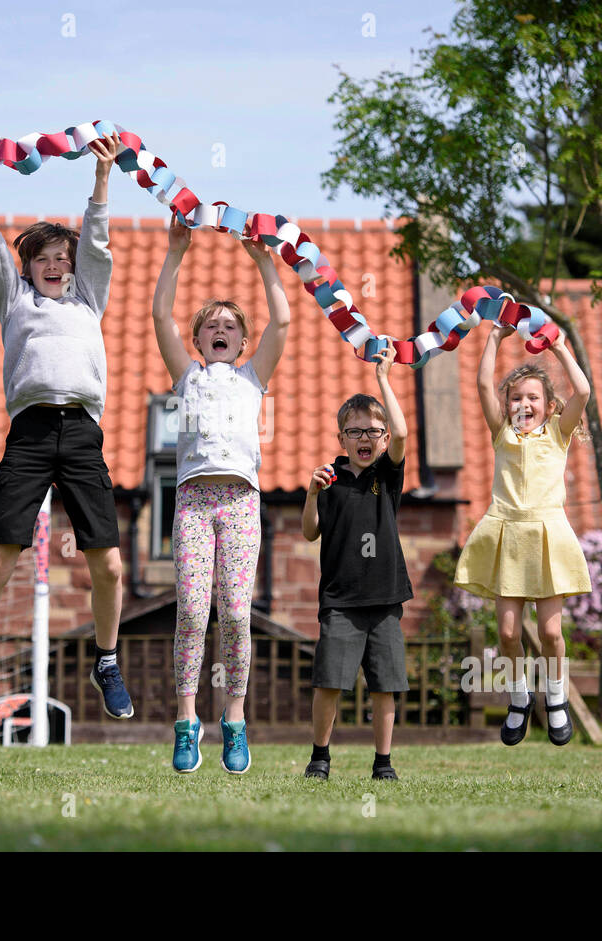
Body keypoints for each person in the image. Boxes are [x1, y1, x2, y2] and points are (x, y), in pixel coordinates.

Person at [0, 132, 137, 728]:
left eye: (63, 258)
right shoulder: (15, 301)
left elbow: (98, 239)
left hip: (80, 434)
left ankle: (107, 661)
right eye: (43, 258)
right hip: (29, 435)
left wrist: (102, 178)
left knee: (107, 564)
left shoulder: (88, 301)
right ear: (27, 268)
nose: (55, 265)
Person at [152, 216, 290, 774]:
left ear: (242, 340)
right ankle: (187, 722)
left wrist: (263, 261)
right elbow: (161, 313)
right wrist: (175, 252)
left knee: (234, 612)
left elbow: (282, 316)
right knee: (191, 609)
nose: (220, 329)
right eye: (210, 324)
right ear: (199, 338)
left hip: (239, 502)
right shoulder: (187, 376)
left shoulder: (254, 378)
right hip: (192, 501)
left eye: (230, 326)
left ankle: (234, 720)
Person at [454, 326, 592, 745]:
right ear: (507, 405)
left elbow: (582, 392)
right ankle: (519, 698)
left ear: (549, 406)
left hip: (547, 535)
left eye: (533, 398)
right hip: (508, 534)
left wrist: (561, 348)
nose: (524, 404)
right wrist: (496, 335)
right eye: (516, 397)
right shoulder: (503, 434)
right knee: (510, 633)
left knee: (551, 633)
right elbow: (481, 383)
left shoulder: (557, 434)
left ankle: (555, 697)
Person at [301, 342, 411, 781]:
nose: (365, 439)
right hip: (341, 600)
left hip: (385, 599)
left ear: (383, 440)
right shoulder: (328, 479)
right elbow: (310, 532)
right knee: (329, 681)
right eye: (355, 431)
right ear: (341, 438)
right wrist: (310, 493)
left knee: (386, 685)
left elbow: (403, 434)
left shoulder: (387, 474)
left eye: (372, 431)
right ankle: (320, 757)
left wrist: (383, 378)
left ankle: (383, 763)